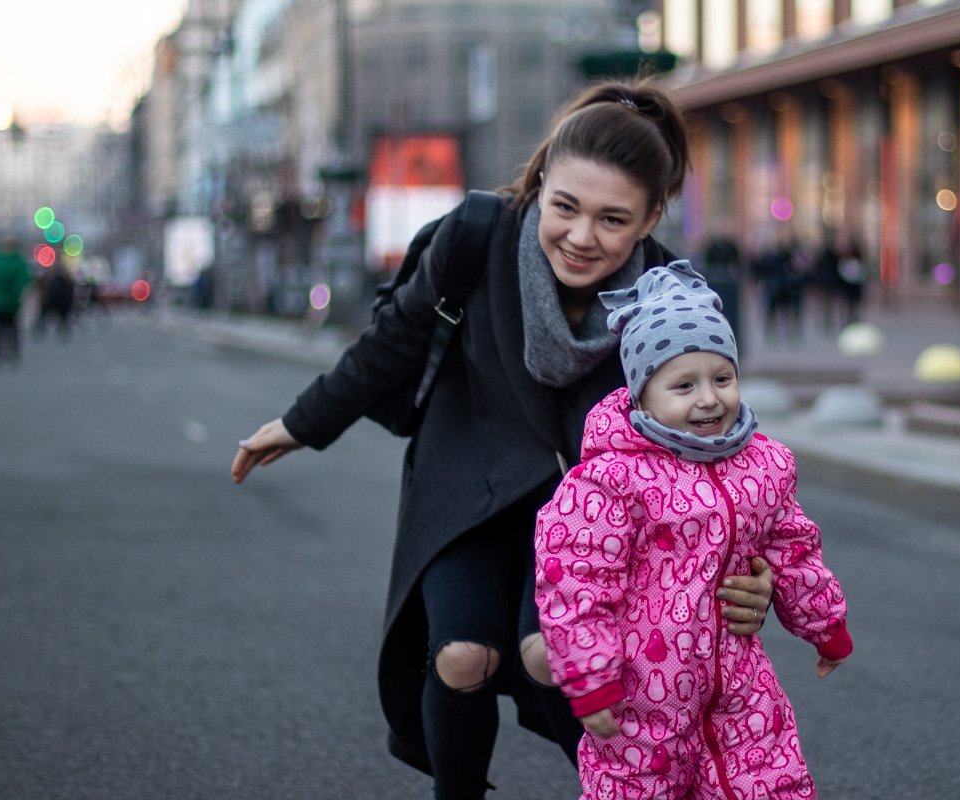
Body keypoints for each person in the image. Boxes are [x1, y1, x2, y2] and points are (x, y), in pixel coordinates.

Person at [230, 77, 775, 798]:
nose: (582, 237)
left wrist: (751, 563)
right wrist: (302, 422)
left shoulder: (667, 300)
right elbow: (392, 342)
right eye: (566, 207)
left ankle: (634, 785)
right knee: (461, 656)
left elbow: (711, 435)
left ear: (650, 219)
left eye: (613, 220)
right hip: (468, 484)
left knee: (557, 656)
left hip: (588, 520)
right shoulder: (476, 237)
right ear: (542, 178)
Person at [535, 260, 852, 800]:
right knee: (636, 789)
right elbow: (577, 581)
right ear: (641, 394)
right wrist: (591, 679)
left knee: (768, 783)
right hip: (642, 693)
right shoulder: (612, 478)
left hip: (740, 683)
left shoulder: (763, 464)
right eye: (683, 385)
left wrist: (825, 624)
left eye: (722, 378)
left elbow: (794, 548)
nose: (708, 398)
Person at [0, 235, 33, 368]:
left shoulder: (16, 261)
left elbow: (25, 279)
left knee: (12, 327)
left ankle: (12, 351)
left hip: (11, 302)